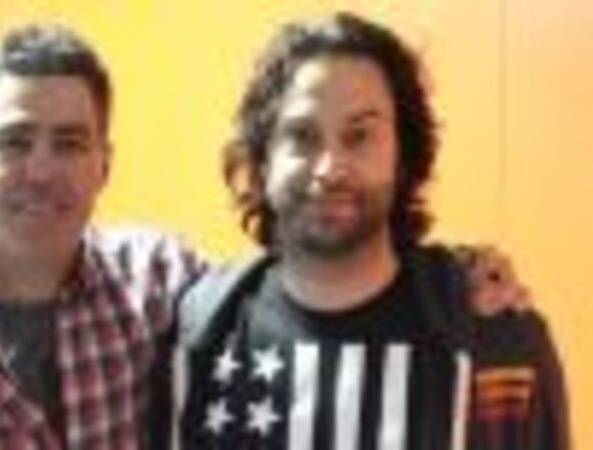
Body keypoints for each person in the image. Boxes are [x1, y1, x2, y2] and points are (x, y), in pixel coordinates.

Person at [0, 20, 532, 450]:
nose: (42, 171)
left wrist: (454, 271)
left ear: (105, 163)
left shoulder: (161, 284)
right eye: (15, 142)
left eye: (70, 142)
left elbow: (308, 268)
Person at [172, 12, 568, 450]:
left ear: (403, 156)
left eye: (359, 136)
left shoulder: (497, 344)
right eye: (302, 135)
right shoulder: (198, 336)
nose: (329, 168)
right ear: (263, 159)